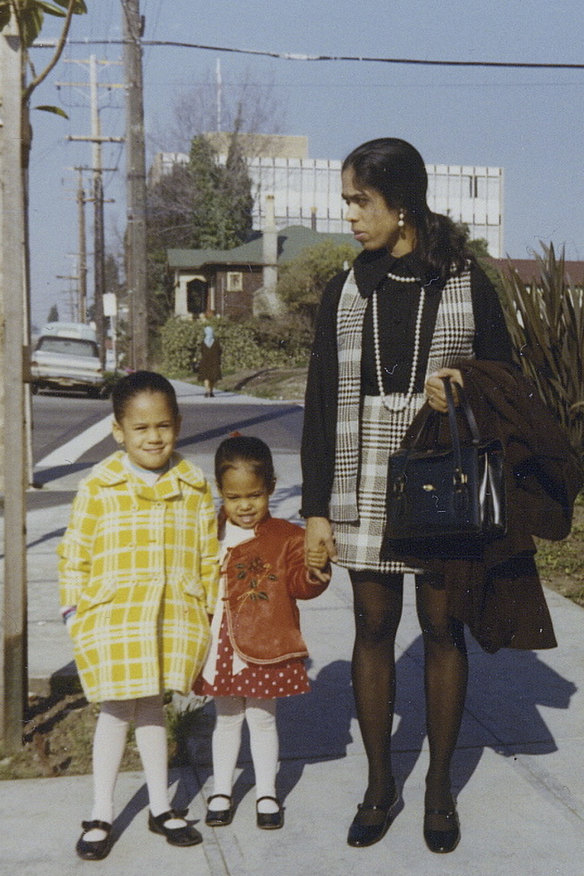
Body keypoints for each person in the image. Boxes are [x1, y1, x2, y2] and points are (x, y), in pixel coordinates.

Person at [301, 137, 520, 854]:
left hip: (438, 472)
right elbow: (320, 401)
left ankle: (436, 790)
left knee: (440, 630)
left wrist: (459, 384)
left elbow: (506, 380)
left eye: (360, 202)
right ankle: (378, 785)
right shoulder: (346, 287)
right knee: (370, 629)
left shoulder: (466, 280)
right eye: (347, 204)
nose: (352, 218)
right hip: (359, 472)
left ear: (402, 203)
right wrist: (313, 512)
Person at [58, 370, 220, 861]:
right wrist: (73, 610)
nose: (154, 437)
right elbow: (75, 552)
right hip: (114, 617)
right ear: (119, 431)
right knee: (114, 711)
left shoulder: (194, 486)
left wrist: (208, 609)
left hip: (171, 614)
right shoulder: (99, 485)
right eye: (141, 428)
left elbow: (207, 553)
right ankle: (101, 811)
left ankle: (160, 806)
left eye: (164, 426)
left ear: (178, 424)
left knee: (153, 708)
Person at [194, 435, 330, 830]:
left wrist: (315, 568)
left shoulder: (287, 536)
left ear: (270, 487)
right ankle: (222, 790)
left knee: (263, 718)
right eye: (235, 498)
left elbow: (302, 586)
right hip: (219, 642)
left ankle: (267, 791)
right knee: (227, 718)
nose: (246, 506)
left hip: (265, 643)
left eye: (255, 495)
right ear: (221, 492)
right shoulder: (209, 531)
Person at [197, 325, 222, 397]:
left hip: (205, 361)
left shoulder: (202, 342)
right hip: (214, 361)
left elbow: (201, 351)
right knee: (213, 377)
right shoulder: (216, 342)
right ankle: (211, 391)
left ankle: (207, 391)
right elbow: (220, 351)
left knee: (206, 377)